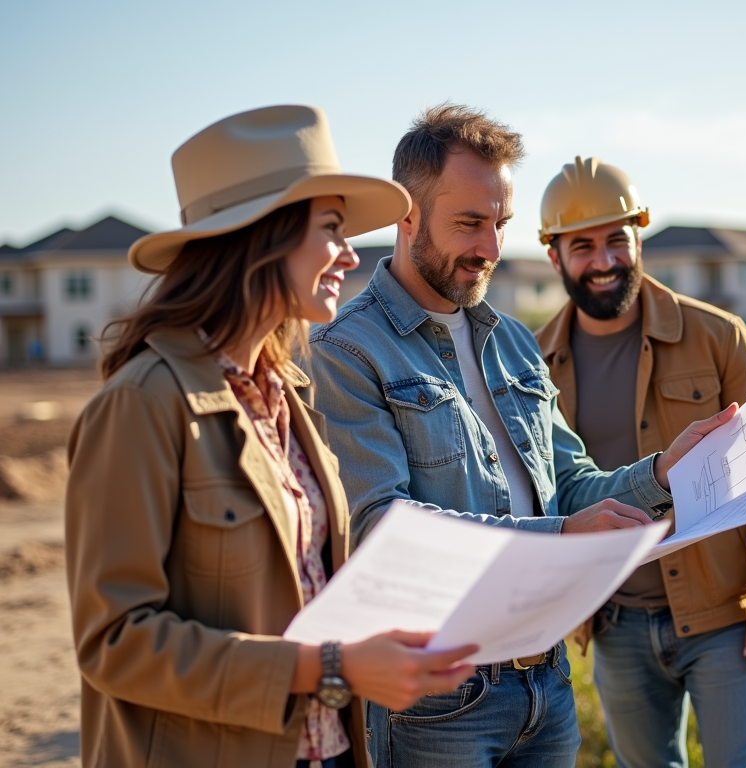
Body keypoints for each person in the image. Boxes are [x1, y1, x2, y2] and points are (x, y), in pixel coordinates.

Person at [307, 105, 736, 768]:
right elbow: (381, 530)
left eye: (500, 224)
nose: (490, 249)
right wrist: (561, 537)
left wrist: (662, 475)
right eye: (470, 223)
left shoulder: (511, 342)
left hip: (545, 684)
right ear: (408, 216)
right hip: (435, 699)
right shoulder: (346, 352)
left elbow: (571, 486)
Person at [64, 105, 480, 768]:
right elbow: (116, 643)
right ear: (263, 237)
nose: (351, 254)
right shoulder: (143, 405)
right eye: (333, 230)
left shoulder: (291, 398)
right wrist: (329, 666)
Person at [534, 156, 746, 768]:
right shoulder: (532, 366)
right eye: (582, 246)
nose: (603, 261)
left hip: (723, 618)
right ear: (554, 256)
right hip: (615, 620)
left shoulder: (718, 337)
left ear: (639, 237)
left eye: (616, 240)